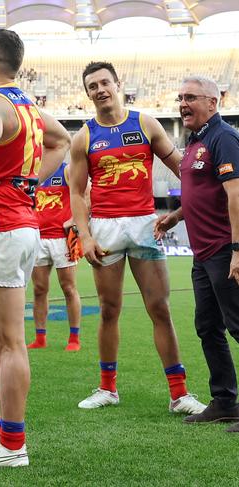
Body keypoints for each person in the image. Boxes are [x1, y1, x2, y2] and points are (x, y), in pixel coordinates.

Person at [0, 29, 70, 468]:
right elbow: (60, 142)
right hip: (17, 225)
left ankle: (12, 446)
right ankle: (5, 428)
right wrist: (27, 181)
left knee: (8, 341)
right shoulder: (28, 107)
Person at [69, 61, 204, 414]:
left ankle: (179, 394)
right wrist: (84, 236)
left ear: (118, 84)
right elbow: (76, 192)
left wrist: (186, 208)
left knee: (159, 308)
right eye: (92, 86)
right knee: (109, 310)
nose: (100, 90)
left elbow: (183, 169)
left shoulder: (144, 123)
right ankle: (107, 388)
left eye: (104, 83)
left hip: (146, 224)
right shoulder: (83, 136)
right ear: (88, 94)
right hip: (106, 227)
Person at [155, 76, 239, 432]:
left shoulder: (225, 139)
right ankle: (224, 401)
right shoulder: (195, 142)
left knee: (237, 325)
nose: (182, 103)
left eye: (190, 97)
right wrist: (174, 216)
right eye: (180, 97)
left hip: (224, 249)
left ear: (213, 102)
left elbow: (236, 196)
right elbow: (201, 194)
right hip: (202, 253)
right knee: (208, 326)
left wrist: (237, 250)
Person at [28, 162, 82, 351]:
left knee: (68, 288)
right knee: (39, 289)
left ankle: (74, 338)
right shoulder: (31, 171)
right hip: (38, 237)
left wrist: (75, 219)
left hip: (61, 239)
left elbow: (87, 193)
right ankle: (40, 338)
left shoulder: (66, 169)